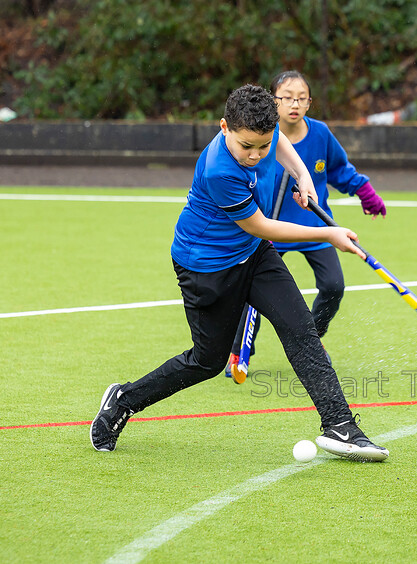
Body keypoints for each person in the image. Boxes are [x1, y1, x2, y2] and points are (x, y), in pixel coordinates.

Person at [90, 84, 389, 462]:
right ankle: (124, 400)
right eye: (247, 146)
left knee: (300, 329)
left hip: (253, 257)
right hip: (206, 267)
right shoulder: (220, 170)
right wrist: (329, 233)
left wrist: (302, 174)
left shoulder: (262, 128)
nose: (256, 155)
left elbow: (278, 141)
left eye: (261, 147)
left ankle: (340, 425)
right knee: (207, 362)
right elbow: (261, 226)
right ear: (225, 127)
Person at [225, 70, 386, 378]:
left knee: (333, 286)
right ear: (273, 102)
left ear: (310, 103)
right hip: (272, 231)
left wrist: (365, 193)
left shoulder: (321, 134)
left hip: (316, 228)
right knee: (255, 294)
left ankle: (310, 340)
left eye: (302, 98)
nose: (294, 104)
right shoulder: (261, 139)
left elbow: (341, 170)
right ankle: (238, 352)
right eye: (287, 98)